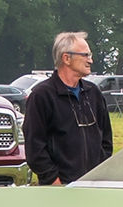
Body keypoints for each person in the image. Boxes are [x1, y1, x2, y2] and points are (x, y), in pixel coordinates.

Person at [23, 31, 113, 186]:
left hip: (94, 186)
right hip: (59, 189)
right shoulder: (42, 96)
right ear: (66, 58)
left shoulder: (93, 93)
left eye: (90, 55)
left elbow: (106, 138)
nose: (90, 60)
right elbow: (35, 146)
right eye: (85, 55)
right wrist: (53, 180)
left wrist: (100, 173)